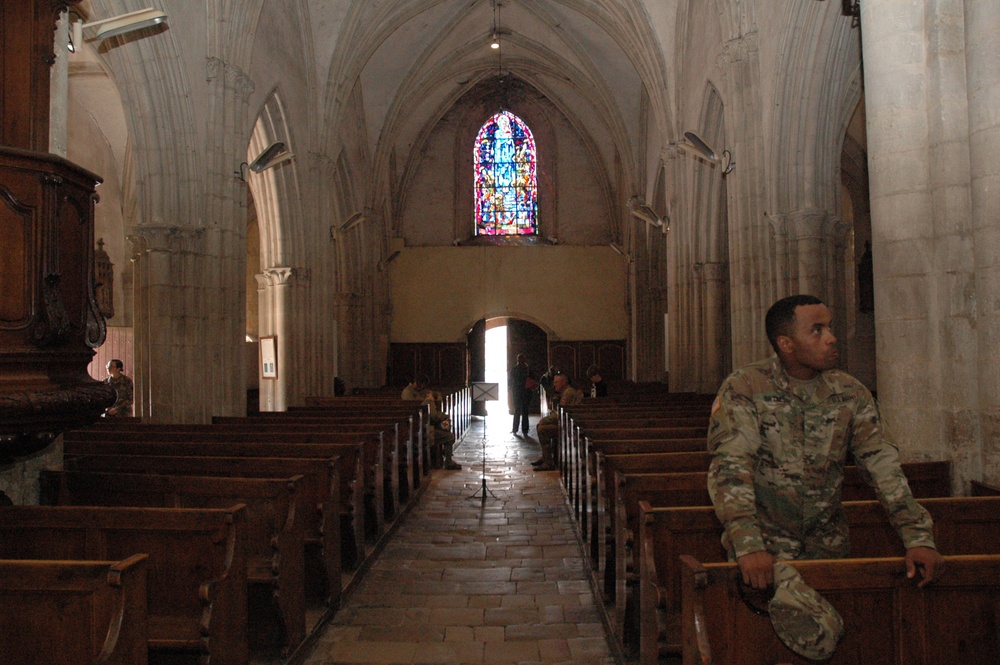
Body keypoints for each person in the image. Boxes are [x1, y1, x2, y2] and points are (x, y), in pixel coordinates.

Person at [708, 294, 944, 590]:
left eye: (830, 327)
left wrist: (918, 538)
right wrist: (747, 544)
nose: (831, 338)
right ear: (786, 344)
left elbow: (882, 467)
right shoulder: (746, 387)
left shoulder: (849, 393)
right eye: (817, 330)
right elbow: (732, 466)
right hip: (762, 556)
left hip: (828, 550)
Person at [402, 374, 461, 470]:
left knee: (445, 427)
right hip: (420, 429)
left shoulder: (418, 391)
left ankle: (441, 456)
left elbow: (433, 393)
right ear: (419, 384)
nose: (424, 388)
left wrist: (437, 396)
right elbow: (431, 415)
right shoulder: (408, 393)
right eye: (423, 385)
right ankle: (448, 461)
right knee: (449, 436)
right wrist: (429, 401)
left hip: (420, 425)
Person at [533, 373, 583, 471]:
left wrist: (546, 419)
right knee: (540, 425)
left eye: (556, 382)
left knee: (542, 429)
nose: (554, 385)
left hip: (570, 426)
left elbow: (561, 413)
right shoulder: (566, 392)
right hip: (567, 423)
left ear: (564, 383)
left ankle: (548, 462)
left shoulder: (568, 393)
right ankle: (546, 456)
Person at [508, 354, 531, 437]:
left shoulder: (514, 369)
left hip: (517, 390)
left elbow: (510, 380)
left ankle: (515, 429)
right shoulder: (527, 368)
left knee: (517, 410)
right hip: (525, 391)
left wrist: (511, 387)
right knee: (525, 410)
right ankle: (525, 430)